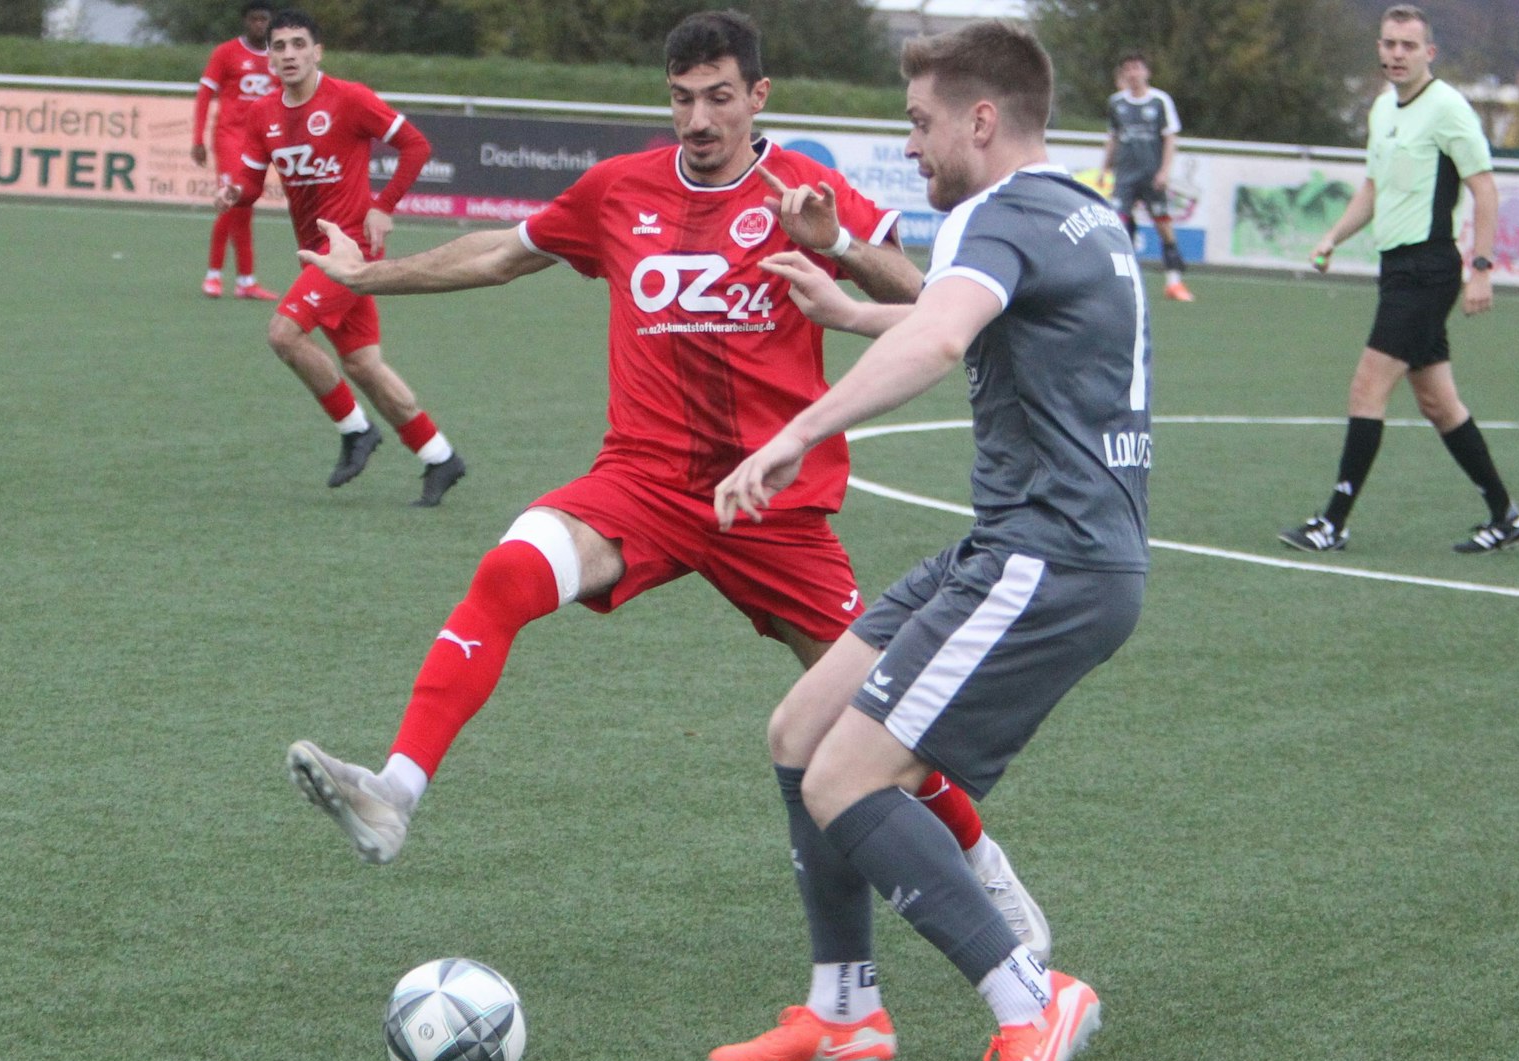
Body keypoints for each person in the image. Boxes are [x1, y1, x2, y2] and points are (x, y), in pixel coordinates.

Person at [279, 9, 1052, 964]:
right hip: (641, 484)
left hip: (775, 506)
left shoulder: (804, 190)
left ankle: (982, 863)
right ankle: (394, 791)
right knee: (508, 572)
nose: (698, 120)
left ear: (758, 96)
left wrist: (841, 246)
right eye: (682, 99)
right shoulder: (620, 189)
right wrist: (370, 277)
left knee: (878, 715)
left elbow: (930, 304)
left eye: (719, 98)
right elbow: (502, 253)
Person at [708, 21, 1148, 1061]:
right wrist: (853, 307)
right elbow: (978, 318)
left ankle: (1030, 1000)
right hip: (1018, 544)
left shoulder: (993, 214)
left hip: (1047, 557)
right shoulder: (1078, 210)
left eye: (918, 122)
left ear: (980, 120)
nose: (909, 145)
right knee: (802, 730)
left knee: (847, 780)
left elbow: (944, 339)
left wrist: (794, 434)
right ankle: (844, 1008)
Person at [1280, 4, 1519, 554]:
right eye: (1389, 44)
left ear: (1428, 53)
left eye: (1408, 46)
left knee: (1367, 387)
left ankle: (1333, 522)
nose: (1396, 54)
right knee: (1439, 405)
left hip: (1428, 270)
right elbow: (1373, 188)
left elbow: (1485, 189)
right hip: (1396, 271)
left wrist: (1481, 268)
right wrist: (1333, 236)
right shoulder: (1382, 109)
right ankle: (1506, 516)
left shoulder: (1448, 109)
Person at [215, 10, 467, 504]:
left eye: (298, 44)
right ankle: (440, 456)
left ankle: (356, 429)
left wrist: (383, 206)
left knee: (284, 334)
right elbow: (250, 182)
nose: (288, 54)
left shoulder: (348, 98)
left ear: (317, 52)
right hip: (317, 254)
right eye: (278, 46)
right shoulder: (262, 113)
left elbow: (415, 145)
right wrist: (234, 193)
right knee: (363, 364)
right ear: (268, 57)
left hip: (351, 247)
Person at [193, 0, 280, 301]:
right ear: (245, 21)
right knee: (232, 202)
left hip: (259, 142)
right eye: (254, 19)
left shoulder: (278, 56)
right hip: (230, 137)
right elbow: (205, 94)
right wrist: (198, 139)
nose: (259, 25)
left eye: (264, 19)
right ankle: (213, 275)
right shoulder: (226, 52)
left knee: (245, 208)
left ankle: (245, 281)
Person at [1101, 52, 1193, 302]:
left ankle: (1174, 282)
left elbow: (1170, 138)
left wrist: (1164, 171)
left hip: (1152, 176)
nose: (1133, 73)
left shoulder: (1160, 101)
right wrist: (1104, 168)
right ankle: (1120, 283)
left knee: (1163, 226)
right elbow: (1113, 137)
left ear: (1146, 72)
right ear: (1124, 73)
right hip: (1125, 177)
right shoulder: (1116, 103)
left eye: (1137, 68)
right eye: (1128, 69)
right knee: (1118, 228)